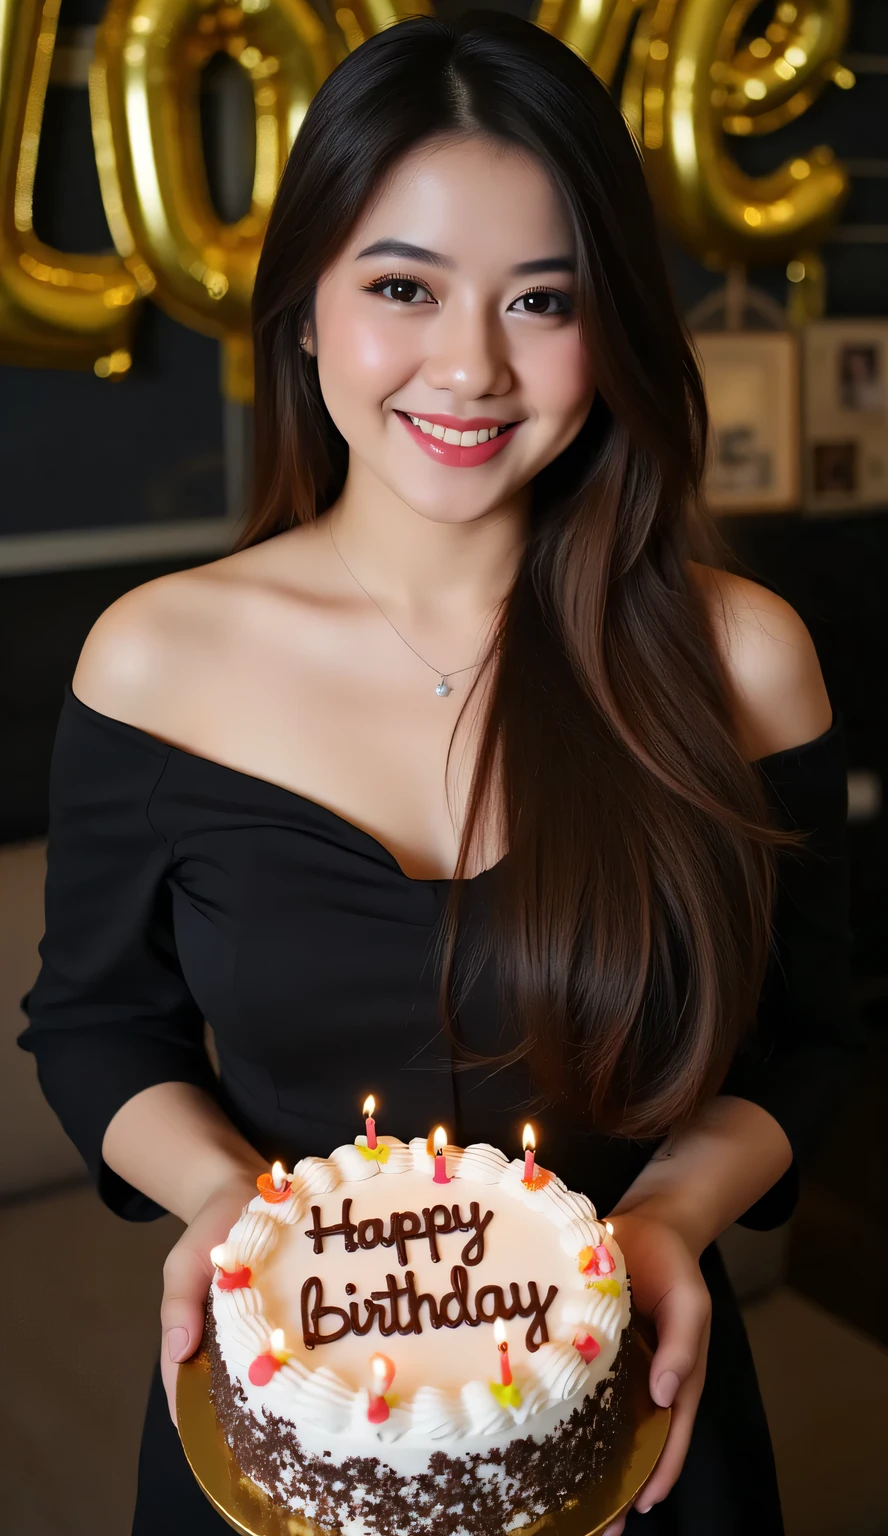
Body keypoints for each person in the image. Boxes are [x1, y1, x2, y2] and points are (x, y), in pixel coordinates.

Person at [17, 11, 862, 1535]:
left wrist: (673, 1214)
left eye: (542, 299)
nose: (470, 365)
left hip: (632, 1420)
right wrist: (226, 1202)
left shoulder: (746, 660)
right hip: (289, 1412)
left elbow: (809, 1040)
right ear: (304, 310)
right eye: (403, 286)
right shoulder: (154, 659)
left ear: (612, 327)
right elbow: (94, 1025)